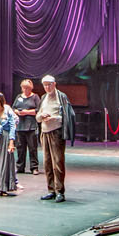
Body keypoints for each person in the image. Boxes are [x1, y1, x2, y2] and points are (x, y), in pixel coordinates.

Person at [36, 74, 76, 203]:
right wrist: (42, 115)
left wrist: (55, 118)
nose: (47, 87)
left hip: (56, 133)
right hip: (45, 132)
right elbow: (37, 117)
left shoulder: (61, 97)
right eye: (45, 85)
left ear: (54, 84)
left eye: (49, 84)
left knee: (57, 162)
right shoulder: (43, 98)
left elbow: (68, 115)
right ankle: (51, 190)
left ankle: (60, 191)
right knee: (47, 163)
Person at [12, 78, 41, 175]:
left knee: (32, 147)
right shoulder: (19, 97)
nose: (25, 90)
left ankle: (34, 167)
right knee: (20, 147)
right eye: (24, 88)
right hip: (20, 126)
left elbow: (39, 110)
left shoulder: (35, 97)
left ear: (31, 88)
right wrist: (17, 112)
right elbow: (13, 108)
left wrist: (27, 112)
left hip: (31, 126)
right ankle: (20, 167)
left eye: (27, 88)